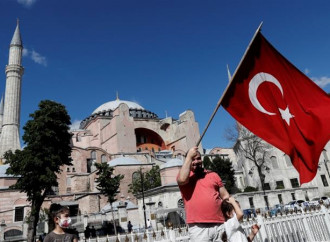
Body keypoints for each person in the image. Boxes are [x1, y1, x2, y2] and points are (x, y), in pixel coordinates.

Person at [177, 146, 230, 242]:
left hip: (219, 224)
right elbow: (182, 180)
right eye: (193, 159)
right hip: (199, 228)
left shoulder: (213, 175)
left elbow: (225, 196)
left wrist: (230, 213)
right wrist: (188, 157)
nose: (196, 161)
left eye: (198, 158)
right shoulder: (185, 176)